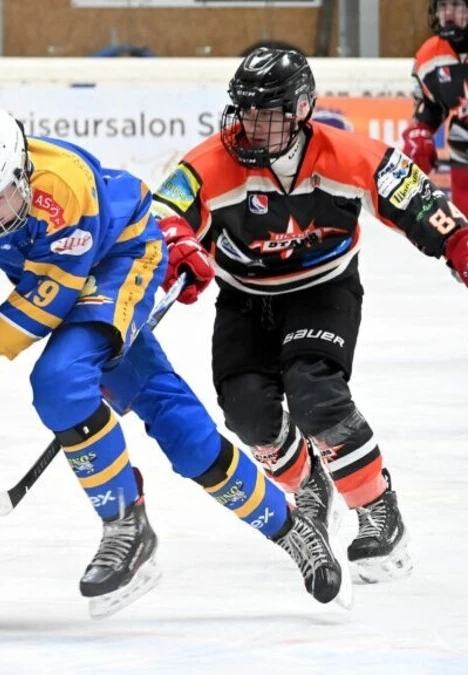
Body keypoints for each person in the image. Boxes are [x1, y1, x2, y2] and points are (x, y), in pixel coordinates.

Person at [0, 103, 350, 618]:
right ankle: (290, 523)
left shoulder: (64, 188)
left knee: (60, 381)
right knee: (179, 428)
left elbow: (47, 298)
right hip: (54, 273)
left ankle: (126, 523)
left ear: (21, 172)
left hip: (120, 257)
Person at [151, 47, 468, 584]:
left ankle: (378, 510)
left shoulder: (346, 154)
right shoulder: (210, 164)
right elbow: (161, 213)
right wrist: (171, 243)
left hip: (324, 288)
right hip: (245, 297)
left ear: (300, 110)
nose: (249, 126)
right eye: (244, 111)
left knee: (315, 394)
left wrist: (457, 240)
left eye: (265, 114)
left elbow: (415, 197)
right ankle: (308, 484)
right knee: (247, 414)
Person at [403, 0, 468, 213]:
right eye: (443, 5)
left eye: (456, 5)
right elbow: (431, 104)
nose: (448, 12)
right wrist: (421, 131)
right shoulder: (430, 56)